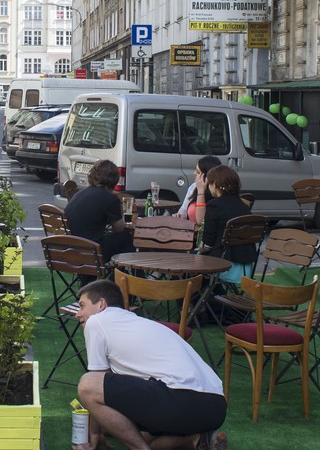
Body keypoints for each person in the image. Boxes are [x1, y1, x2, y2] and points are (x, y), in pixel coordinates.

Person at [75, 280, 227, 450]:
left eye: (82, 306)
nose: (77, 314)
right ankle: (196, 439)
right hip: (216, 407)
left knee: (88, 383)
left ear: (101, 304)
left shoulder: (97, 321)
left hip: (179, 398)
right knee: (135, 433)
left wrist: (94, 435)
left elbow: (97, 381)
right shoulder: (143, 324)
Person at [65, 160, 135, 264]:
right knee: (127, 238)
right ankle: (127, 276)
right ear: (114, 179)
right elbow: (119, 228)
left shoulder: (79, 194)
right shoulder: (110, 198)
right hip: (93, 250)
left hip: (73, 248)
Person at [199, 165, 256, 284]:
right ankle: (212, 298)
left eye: (209, 184)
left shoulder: (214, 205)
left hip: (222, 266)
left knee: (185, 265)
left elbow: (207, 243)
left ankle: (201, 300)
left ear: (214, 184)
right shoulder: (244, 206)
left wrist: (199, 247)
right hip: (245, 268)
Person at [177, 156, 222, 226]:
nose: (194, 173)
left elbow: (201, 221)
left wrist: (201, 191)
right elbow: (183, 210)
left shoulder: (216, 191)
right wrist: (179, 215)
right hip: (188, 231)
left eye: (198, 172)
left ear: (207, 175)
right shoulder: (193, 187)